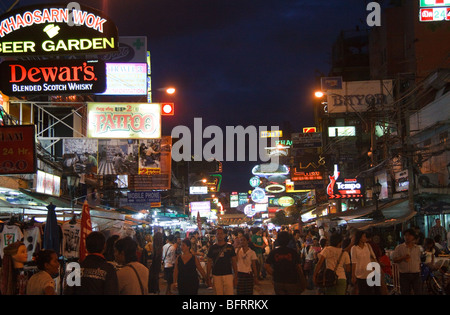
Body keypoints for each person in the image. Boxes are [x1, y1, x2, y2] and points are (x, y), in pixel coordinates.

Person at [206, 227, 238, 295]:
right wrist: (208, 276)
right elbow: (209, 262)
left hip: (228, 274)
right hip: (216, 275)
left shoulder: (230, 247)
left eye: (221, 233)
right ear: (216, 235)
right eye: (218, 234)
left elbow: (234, 262)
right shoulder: (212, 248)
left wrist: (236, 276)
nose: (220, 235)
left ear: (224, 235)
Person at [392, 228, 422, 295]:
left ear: (413, 237)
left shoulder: (417, 248)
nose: (407, 237)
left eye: (409, 235)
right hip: (404, 274)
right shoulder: (399, 248)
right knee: (405, 291)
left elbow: (418, 260)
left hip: (415, 273)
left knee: (418, 291)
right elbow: (394, 259)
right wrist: (403, 257)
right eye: (405, 235)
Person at [351, 230, 380, 295]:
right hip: (360, 275)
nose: (365, 238)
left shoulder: (368, 246)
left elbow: (373, 257)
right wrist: (353, 275)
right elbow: (354, 262)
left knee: (370, 292)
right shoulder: (354, 248)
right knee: (362, 292)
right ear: (359, 237)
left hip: (369, 273)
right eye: (364, 236)